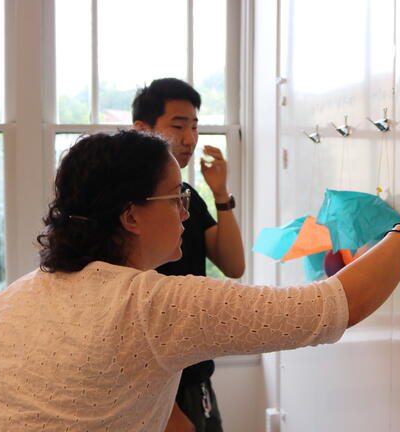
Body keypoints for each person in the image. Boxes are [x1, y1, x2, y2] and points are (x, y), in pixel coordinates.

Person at [0, 130, 400, 431]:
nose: (188, 213)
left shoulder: (12, 298)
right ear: (131, 216)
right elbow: (339, 304)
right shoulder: (154, 304)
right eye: (176, 198)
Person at [132, 78, 245, 432]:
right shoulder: (127, 203)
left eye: (194, 127)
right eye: (177, 126)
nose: (189, 139)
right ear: (142, 130)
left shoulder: (188, 196)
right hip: (145, 378)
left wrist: (221, 193)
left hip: (194, 372)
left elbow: (234, 265)